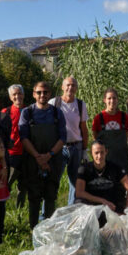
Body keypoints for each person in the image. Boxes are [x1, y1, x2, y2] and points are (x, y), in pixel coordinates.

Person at [18, 81, 66, 227]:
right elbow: (24, 138)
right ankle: (34, 229)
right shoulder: (27, 112)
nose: (42, 95)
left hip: (53, 159)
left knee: (51, 195)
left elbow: (63, 138)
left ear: (50, 94)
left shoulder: (57, 113)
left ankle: (49, 229)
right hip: (33, 161)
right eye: (39, 92)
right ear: (34, 94)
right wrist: (38, 157)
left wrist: (49, 155)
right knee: (34, 197)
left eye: (45, 92)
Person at [50, 76, 89, 205]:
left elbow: (84, 128)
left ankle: (71, 211)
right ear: (62, 87)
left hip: (76, 147)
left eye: (73, 85)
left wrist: (85, 150)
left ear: (76, 88)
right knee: (53, 180)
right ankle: (47, 214)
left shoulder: (80, 104)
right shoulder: (54, 103)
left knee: (76, 182)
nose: (70, 88)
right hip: (59, 148)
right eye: (67, 85)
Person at [76, 139, 128, 213]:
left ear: (106, 152)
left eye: (102, 152)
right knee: (78, 202)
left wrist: (127, 209)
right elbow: (79, 192)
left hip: (112, 205)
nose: (99, 156)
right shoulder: (84, 169)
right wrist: (102, 201)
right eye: (96, 153)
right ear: (91, 153)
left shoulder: (116, 168)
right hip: (92, 206)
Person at [0, 84, 29, 209]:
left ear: (23, 94)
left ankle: (19, 212)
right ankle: (1, 208)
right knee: (7, 184)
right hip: (12, 155)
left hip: (27, 154)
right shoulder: (5, 112)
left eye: (19, 93)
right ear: (10, 97)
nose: (17, 96)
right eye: (14, 94)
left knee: (23, 186)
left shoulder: (30, 110)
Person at [91, 88, 128, 171]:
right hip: (105, 160)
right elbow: (95, 138)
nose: (112, 101)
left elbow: (127, 136)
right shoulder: (98, 118)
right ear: (104, 100)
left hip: (122, 159)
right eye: (109, 98)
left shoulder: (124, 117)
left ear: (117, 100)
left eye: (114, 98)